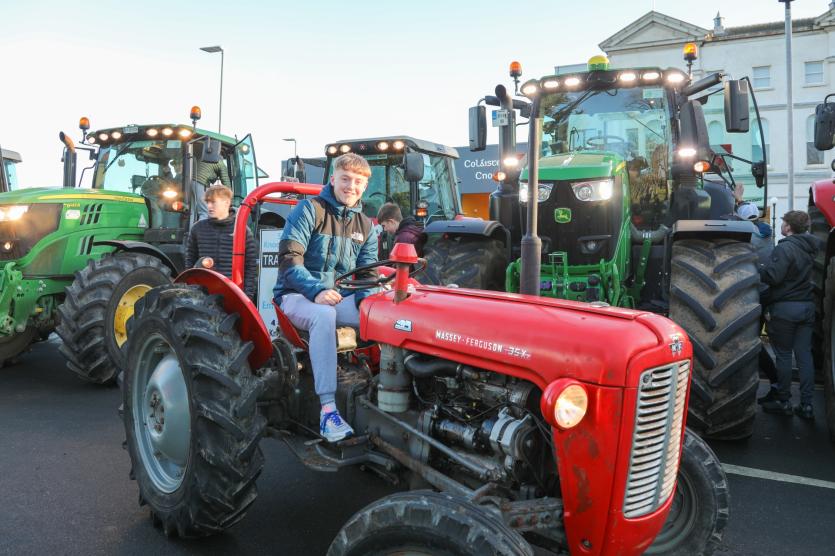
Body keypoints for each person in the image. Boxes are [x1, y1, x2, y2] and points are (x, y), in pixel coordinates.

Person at [273, 153, 378, 442]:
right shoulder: (310, 210)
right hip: (296, 294)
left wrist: (368, 304)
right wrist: (316, 290)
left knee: (386, 317)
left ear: (365, 186)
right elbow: (289, 259)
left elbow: (367, 275)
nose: (351, 186)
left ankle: (384, 389)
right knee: (324, 315)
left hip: (338, 297)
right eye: (345, 179)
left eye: (358, 182)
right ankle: (328, 411)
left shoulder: (366, 226)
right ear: (333, 179)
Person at [759, 210, 820, 420]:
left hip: (785, 308)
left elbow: (774, 277)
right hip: (806, 307)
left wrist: (760, 269)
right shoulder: (811, 247)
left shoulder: (785, 248)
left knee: (784, 355)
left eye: (784, 222)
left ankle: (784, 401)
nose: (782, 225)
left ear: (789, 227)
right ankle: (807, 405)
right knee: (804, 356)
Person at [185, 185, 258, 300]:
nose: (209, 206)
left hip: (233, 294)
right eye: (208, 202)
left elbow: (250, 267)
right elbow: (190, 264)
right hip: (203, 295)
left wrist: (246, 297)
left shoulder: (242, 230)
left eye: (213, 202)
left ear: (226, 202)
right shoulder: (197, 229)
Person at [192, 138, 232, 219]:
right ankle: (200, 231)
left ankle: (191, 229)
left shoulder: (204, 158)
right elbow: (226, 181)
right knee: (205, 211)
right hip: (200, 182)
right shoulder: (219, 162)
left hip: (189, 181)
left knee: (192, 211)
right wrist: (230, 198)